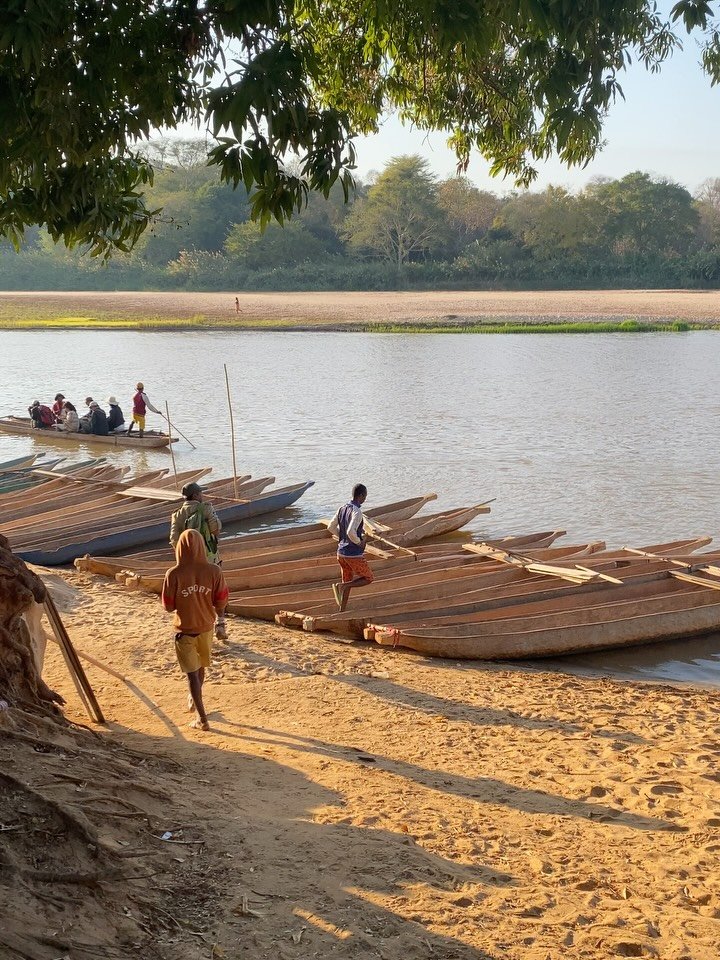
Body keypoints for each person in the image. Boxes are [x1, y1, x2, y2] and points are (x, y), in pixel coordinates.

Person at [161, 528, 229, 731]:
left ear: (179, 548)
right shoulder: (214, 571)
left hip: (184, 630)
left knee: (191, 675)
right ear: (202, 547)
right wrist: (220, 621)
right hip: (206, 628)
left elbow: (168, 606)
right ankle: (195, 698)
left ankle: (202, 718)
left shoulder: (173, 574)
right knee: (200, 668)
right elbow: (221, 600)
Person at [169, 482, 226, 639]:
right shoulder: (206, 508)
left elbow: (174, 540)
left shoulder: (177, 514)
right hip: (209, 559)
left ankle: (197, 623)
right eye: (201, 493)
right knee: (217, 590)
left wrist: (186, 557)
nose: (202, 496)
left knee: (193, 592)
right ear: (195, 495)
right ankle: (220, 624)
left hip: (186, 563)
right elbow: (216, 529)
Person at [328, 483, 374, 612]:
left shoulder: (342, 508)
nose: (365, 499)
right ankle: (342, 586)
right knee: (368, 578)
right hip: (352, 554)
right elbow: (350, 532)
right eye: (365, 496)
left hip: (341, 553)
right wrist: (359, 542)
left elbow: (330, 527)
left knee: (347, 579)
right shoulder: (357, 511)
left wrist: (342, 538)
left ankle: (342, 610)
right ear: (361, 496)